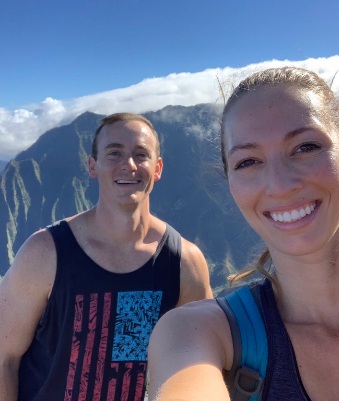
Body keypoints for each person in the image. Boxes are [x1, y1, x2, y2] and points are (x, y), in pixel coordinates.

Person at [147, 66, 339, 401]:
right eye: (248, 162)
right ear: (231, 183)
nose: (280, 185)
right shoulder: (197, 334)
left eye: (305, 147)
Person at [0, 112, 213, 401]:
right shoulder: (45, 253)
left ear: (158, 167)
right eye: (114, 153)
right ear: (92, 166)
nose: (129, 165)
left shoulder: (183, 262)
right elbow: (4, 357)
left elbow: (203, 360)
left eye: (141, 154)